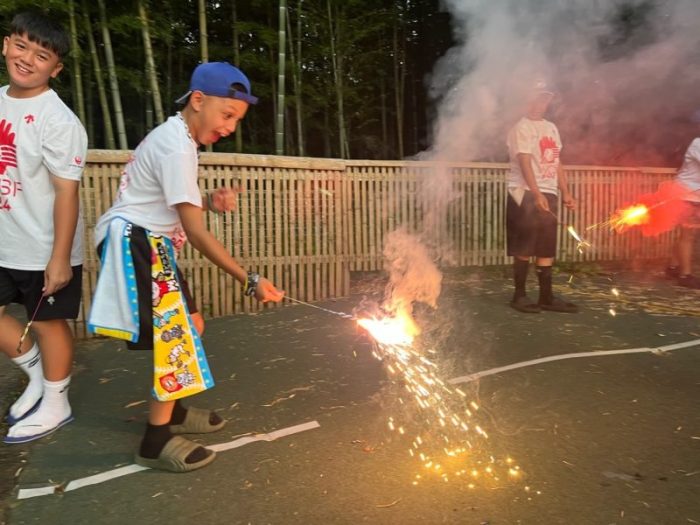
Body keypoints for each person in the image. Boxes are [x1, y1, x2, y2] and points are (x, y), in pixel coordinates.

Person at [89, 61, 284, 473]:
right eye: (227, 115)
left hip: (151, 240)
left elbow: (172, 201)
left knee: (192, 322)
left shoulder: (178, 139)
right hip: (136, 241)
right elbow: (195, 233)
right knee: (175, 335)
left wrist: (209, 201)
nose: (230, 127)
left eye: (236, 119)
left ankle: (173, 412)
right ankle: (155, 440)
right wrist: (250, 279)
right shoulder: (177, 146)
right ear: (198, 100)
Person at [0, 12, 88, 443]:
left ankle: (57, 400)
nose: (27, 59)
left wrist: (59, 258)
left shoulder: (59, 120)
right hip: (3, 240)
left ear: (56, 68)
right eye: (21, 46)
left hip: (43, 246)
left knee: (50, 324)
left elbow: (66, 193)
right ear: (5, 45)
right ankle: (37, 378)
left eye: (42, 55)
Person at [506, 80, 577, 313]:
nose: (539, 104)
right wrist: (535, 194)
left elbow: (555, 161)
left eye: (544, 99)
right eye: (534, 98)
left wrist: (566, 192)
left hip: (548, 191)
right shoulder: (521, 128)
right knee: (525, 245)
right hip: (523, 191)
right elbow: (524, 161)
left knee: (546, 247)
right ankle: (519, 296)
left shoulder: (551, 128)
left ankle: (546, 297)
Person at [665, 122, 700, 288]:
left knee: (686, 234)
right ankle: (685, 276)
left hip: (694, 195)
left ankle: (673, 267)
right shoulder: (698, 143)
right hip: (686, 194)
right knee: (688, 234)